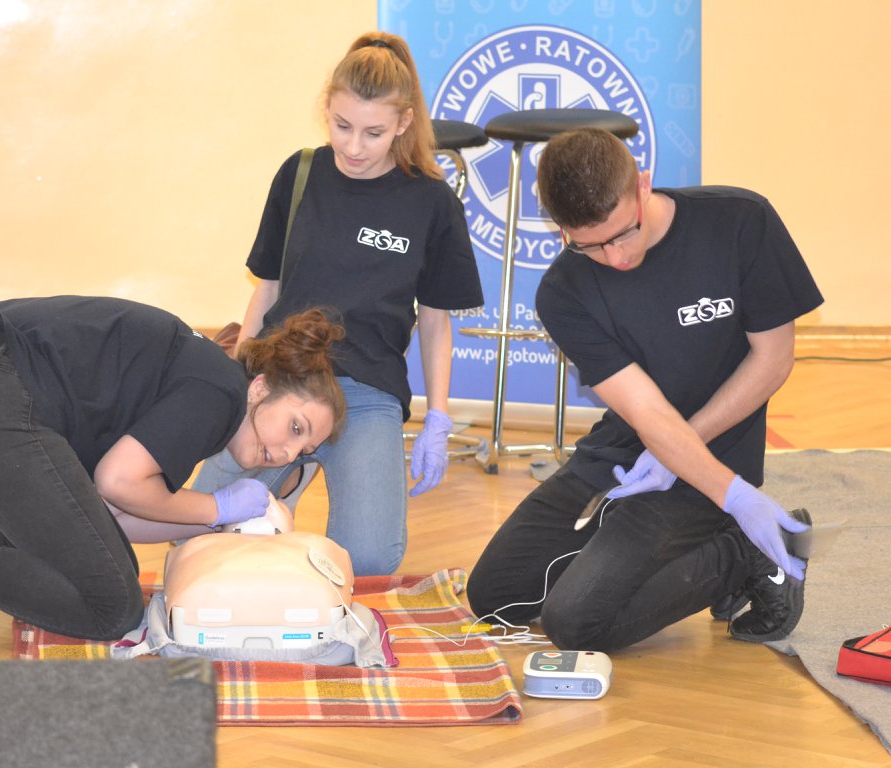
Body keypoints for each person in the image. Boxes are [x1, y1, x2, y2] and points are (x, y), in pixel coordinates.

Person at [467, 128, 823, 653]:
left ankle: (744, 551)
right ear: (560, 229)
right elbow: (645, 409)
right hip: (626, 449)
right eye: (588, 245)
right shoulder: (563, 292)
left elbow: (773, 359)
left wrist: (725, 487)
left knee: (574, 624)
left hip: (715, 460)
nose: (614, 258)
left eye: (622, 234)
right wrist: (658, 450)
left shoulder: (739, 222)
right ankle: (646, 557)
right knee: (495, 596)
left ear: (642, 186)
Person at [0, 296, 346, 641]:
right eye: (295, 428)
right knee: (112, 606)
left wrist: (213, 522)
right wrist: (215, 507)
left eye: (304, 451)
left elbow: (113, 518)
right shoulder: (219, 396)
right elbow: (118, 482)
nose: (287, 454)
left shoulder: (208, 392)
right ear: (260, 388)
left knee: (100, 563)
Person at [189, 32, 484, 576]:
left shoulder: (431, 202)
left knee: (367, 561)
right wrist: (236, 380)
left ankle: (294, 477)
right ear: (326, 108)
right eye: (342, 126)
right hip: (281, 380)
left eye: (373, 133)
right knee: (197, 530)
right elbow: (267, 288)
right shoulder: (300, 173)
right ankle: (290, 479)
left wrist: (438, 417)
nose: (354, 147)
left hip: (367, 392)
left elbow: (435, 321)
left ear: (404, 122)